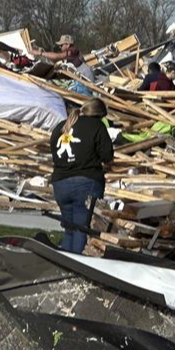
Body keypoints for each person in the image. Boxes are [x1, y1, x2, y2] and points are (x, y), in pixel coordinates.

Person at [49, 98, 114, 254]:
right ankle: (77, 262)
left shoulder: (61, 126)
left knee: (69, 228)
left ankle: (64, 260)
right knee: (81, 228)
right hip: (86, 182)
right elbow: (107, 155)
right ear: (99, 115)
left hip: (60, 183)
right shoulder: (97, 126)